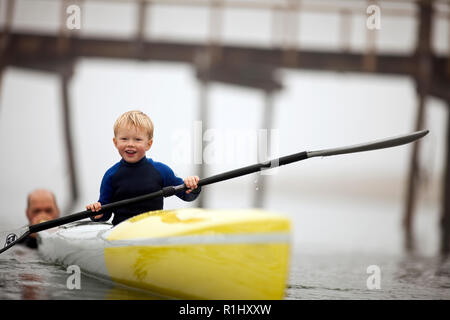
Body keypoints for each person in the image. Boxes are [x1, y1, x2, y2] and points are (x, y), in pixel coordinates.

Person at [86, 110, 201, 226]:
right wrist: (97, 213)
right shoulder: (111, 176)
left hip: (153, 231)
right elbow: (105, 214)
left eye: (137, 139)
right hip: (122, 233)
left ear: (148, 144)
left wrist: (193, 185)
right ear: (115, 142)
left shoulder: (161, 171)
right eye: (124, 139)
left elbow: (187, 196)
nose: (130, 144)